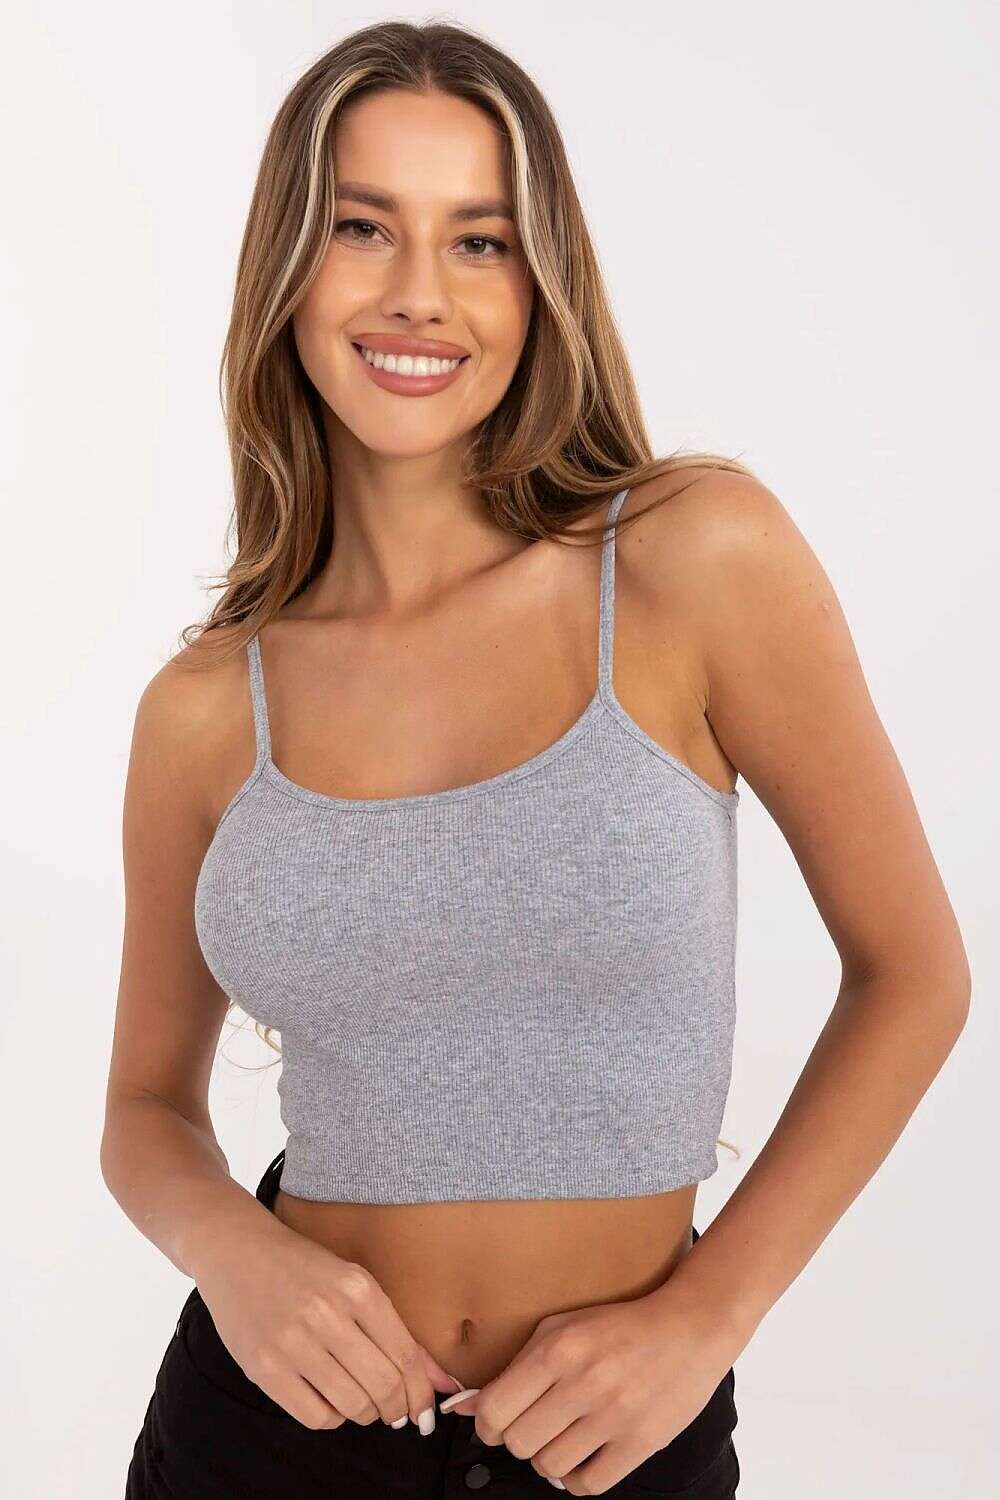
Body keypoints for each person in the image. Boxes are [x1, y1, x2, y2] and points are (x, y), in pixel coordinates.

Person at [103, 19, 971, 1500]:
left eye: (481, 241)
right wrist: (240, 1259)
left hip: (616, 1444)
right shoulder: (203, 706)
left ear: (540, 281)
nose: (419, 293)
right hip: (264, 1436)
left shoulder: (692, 560)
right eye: (362, 227)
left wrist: (708, 1317)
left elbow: (915, 973)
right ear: (288, 266)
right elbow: (144, 1113)